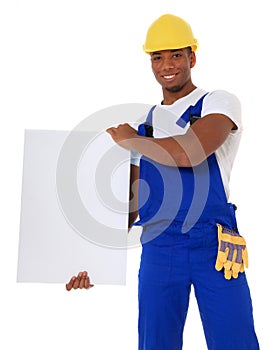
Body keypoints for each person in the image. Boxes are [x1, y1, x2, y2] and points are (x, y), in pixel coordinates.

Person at [66, 14, 260, 350]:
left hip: (214, 245)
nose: (166, 65)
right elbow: (128, 206)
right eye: (157, 57)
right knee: (156, 343)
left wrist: (130, 141)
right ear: (150, 62)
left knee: (236, 340)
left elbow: (191, 152)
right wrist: (91, 262)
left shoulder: (219, 102)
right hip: (159, 245)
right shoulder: (144, 124)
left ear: (192, 58)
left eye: (175, 55)